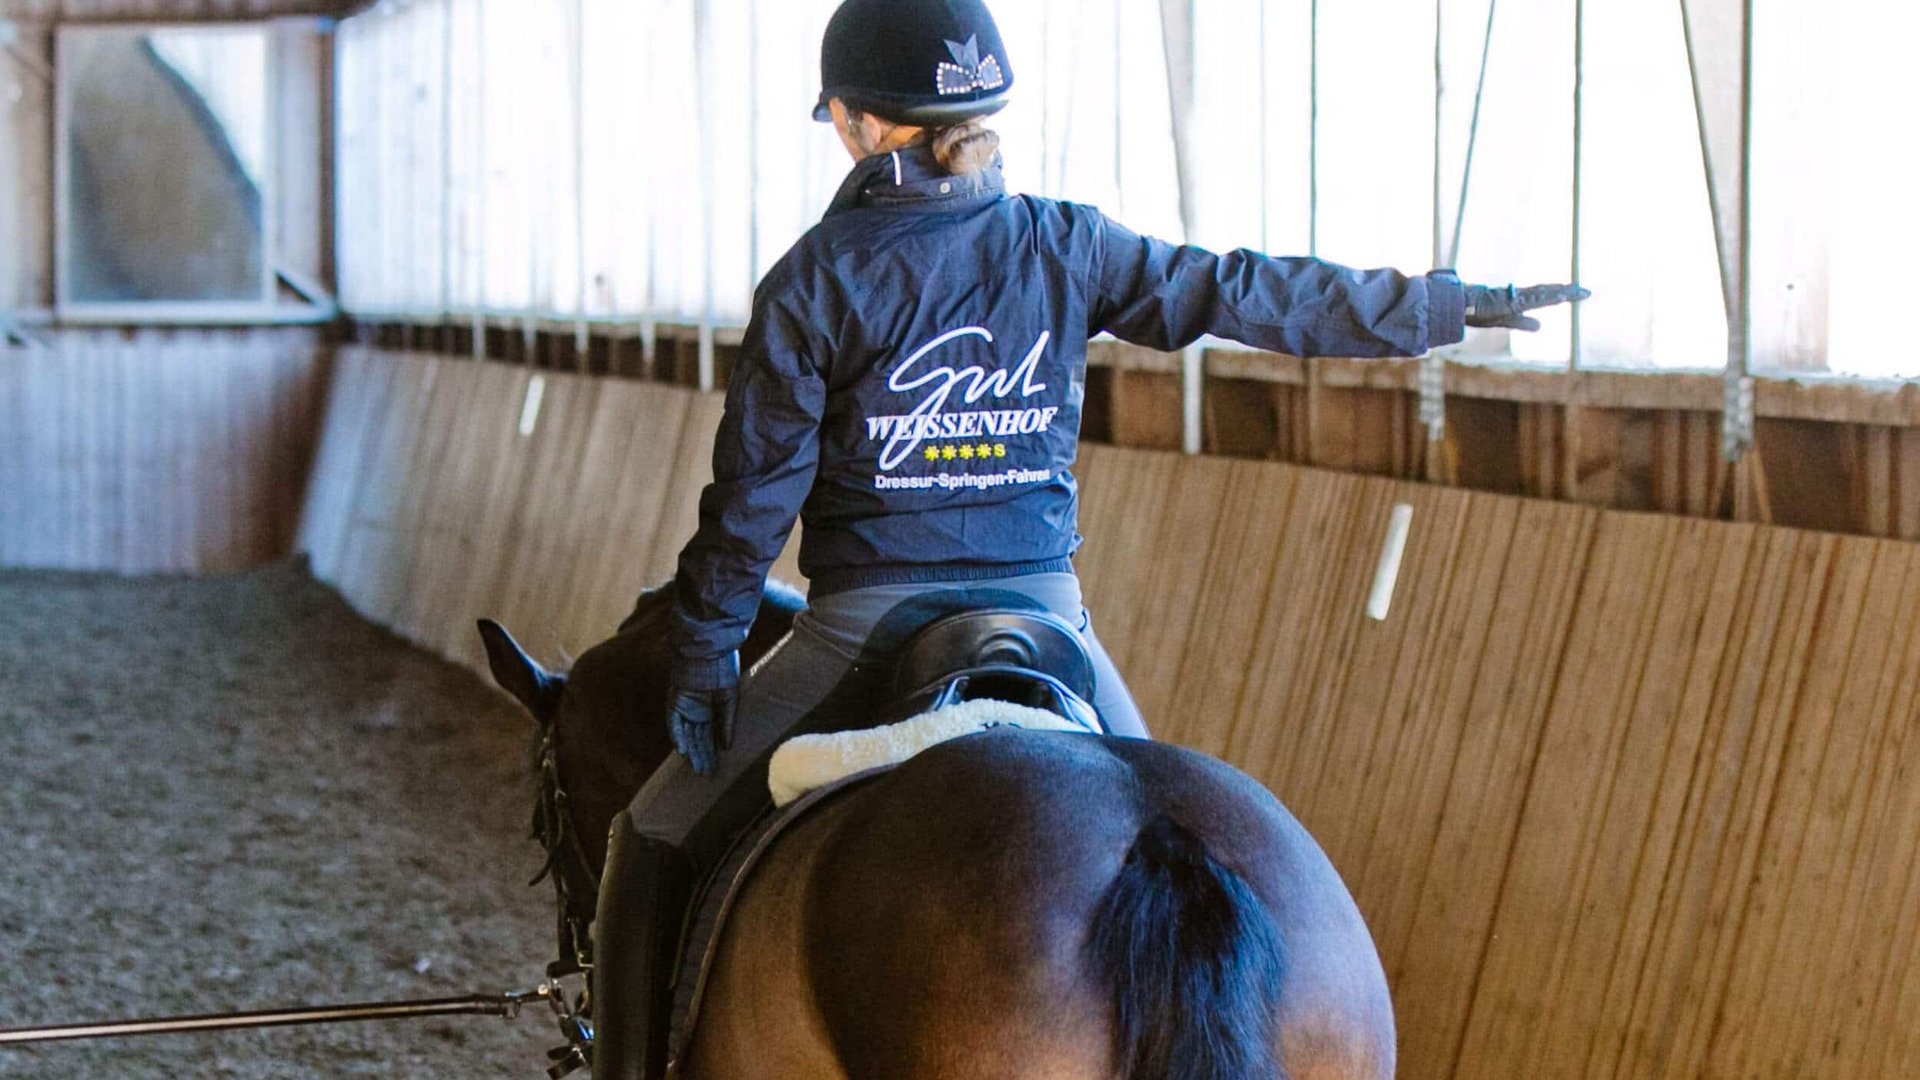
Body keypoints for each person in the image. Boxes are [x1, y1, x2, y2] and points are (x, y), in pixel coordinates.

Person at [591, 0, 1587, 1075]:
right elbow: (1245, 290)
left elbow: (751, 502)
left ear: (862, 126)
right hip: (1048, 618)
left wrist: (703, 656)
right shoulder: (1067, 244)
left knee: (653, 831)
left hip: (865, 624)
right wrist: (1440, 307)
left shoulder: (818, 278)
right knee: (1151, 812)